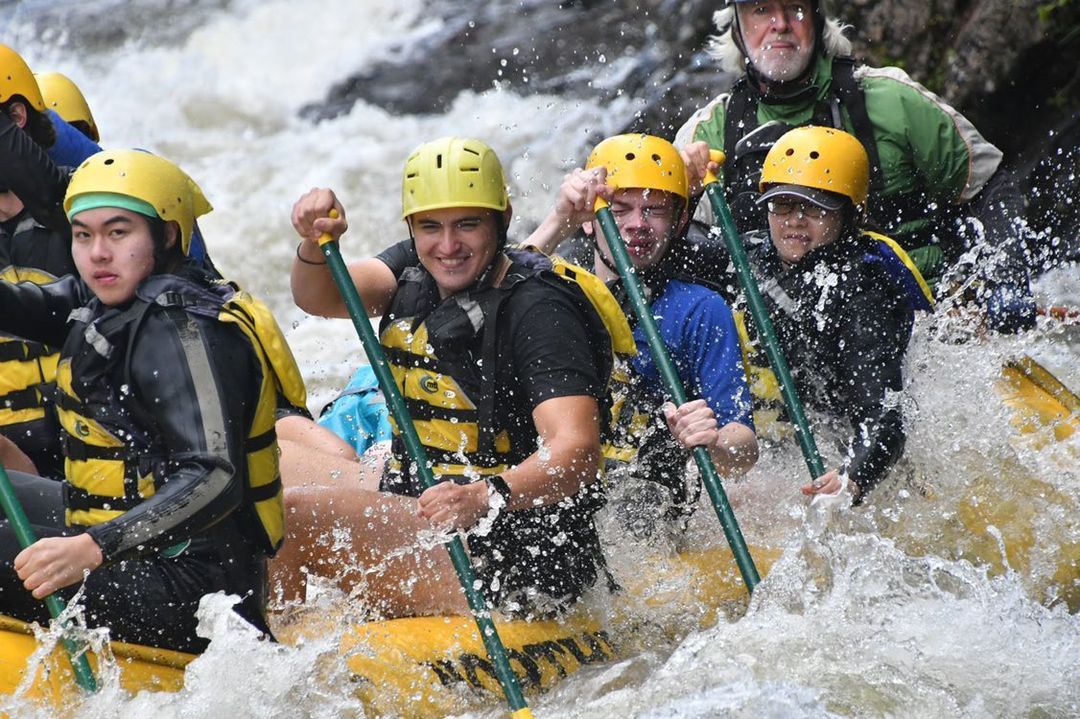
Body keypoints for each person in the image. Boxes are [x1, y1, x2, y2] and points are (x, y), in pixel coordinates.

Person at [274, 137, 615, 618]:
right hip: (425, 501)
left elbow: (576, 453)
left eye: (467, 225)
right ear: (413, 229)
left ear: (502, 220)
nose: (448, 245)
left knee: (292, 515)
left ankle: (288, 646)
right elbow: (321, 295)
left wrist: (485, 497)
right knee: (269, 459)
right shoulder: (412, 269)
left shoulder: (541, 311)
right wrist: (315, 241)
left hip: (514, 547)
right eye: (430, 227)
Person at [0, 149, 307, 653]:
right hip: (131, 541)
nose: (98, 252)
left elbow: (215, 475)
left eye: (118, 233)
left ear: (164, 236)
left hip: (194, 587)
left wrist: (93, 548)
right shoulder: (106, 299)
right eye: (83, 235)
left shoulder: (184, 328)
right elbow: (24, 307)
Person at [675, 0, 1035, 334]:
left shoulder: (892, 100)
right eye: (762, 9)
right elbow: (667, 254)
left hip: (931, 318)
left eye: (795, 9)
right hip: (789, 338)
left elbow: (990, 189)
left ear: (817, 19)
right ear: (737, 29)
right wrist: (686, 204)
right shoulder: (705, 135)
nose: (780, 24)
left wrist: (1007, 279)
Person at [528, 134, 758, 526]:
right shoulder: (559, 293)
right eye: (619, 210)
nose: (638, 225)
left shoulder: (701, 310)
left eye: (654, 210)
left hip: (651, 513)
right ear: (590, 223)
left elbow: (745, 447)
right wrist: (560, 220)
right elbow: (492, 301)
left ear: (680, 220)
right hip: (559, 499)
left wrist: (714, 441)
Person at [724, 126, 921, 504]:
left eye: (815, 206)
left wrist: (853, 479)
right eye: (782, 204)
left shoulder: (862, 290)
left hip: (842, 436)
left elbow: (886, 413)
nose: (795, 219)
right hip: (782, 424)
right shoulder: (751, 252)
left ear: (849, 213)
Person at [0, 45, 80, 476]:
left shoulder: (86, 214)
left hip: (92, 457)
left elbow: (51, 195)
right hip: (9, 468)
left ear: (14, 120)